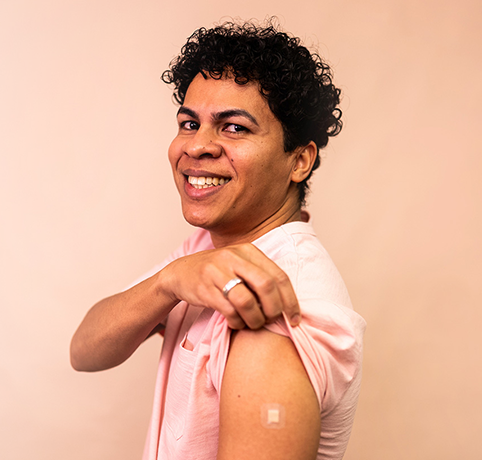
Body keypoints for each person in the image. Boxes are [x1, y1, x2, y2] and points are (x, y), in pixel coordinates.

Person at [70, 21, 366, 460]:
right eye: (189, 123)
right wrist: (169, 280)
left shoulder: (272, 308)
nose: (197, 146)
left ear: (300, 160)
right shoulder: (207, 251)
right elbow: (85, 351)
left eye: (234, 128)